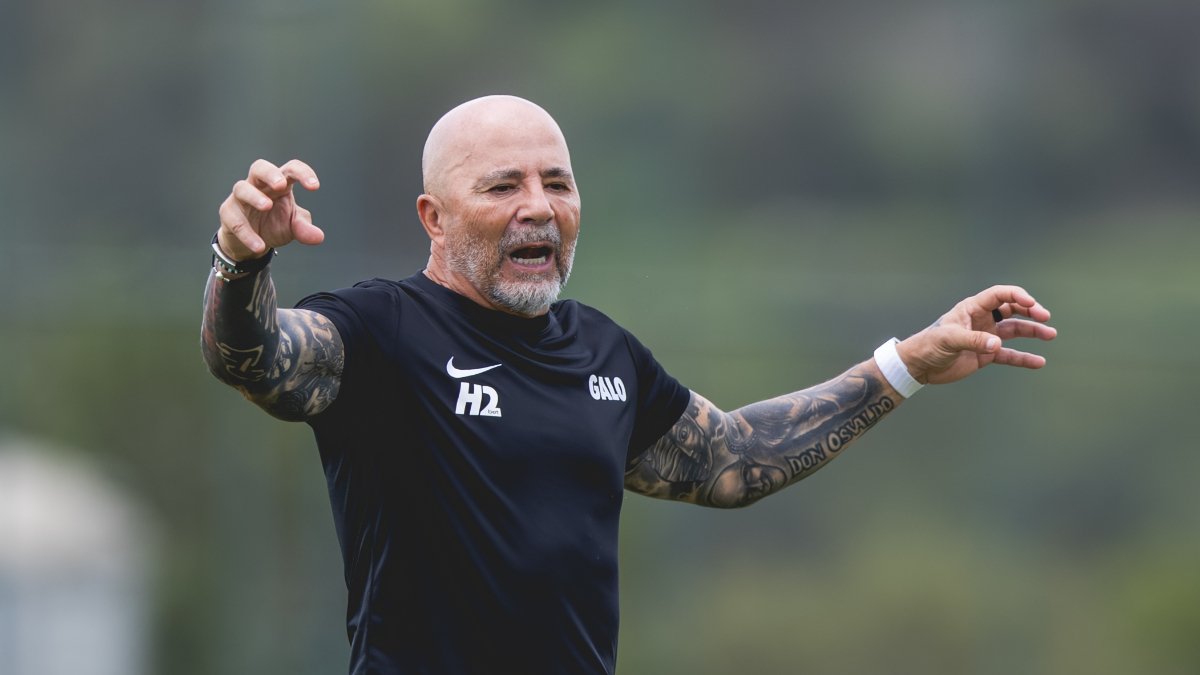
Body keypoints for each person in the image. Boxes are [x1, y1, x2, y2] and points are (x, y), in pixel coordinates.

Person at [200, 95, 1056, 675]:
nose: (538, 205)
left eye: (557, 182)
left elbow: (732, 459)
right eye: (502, 186)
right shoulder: (383, 331)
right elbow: (256, 358)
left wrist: (904, 364)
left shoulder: (604, 352)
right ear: (435, 217)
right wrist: (242, 260)